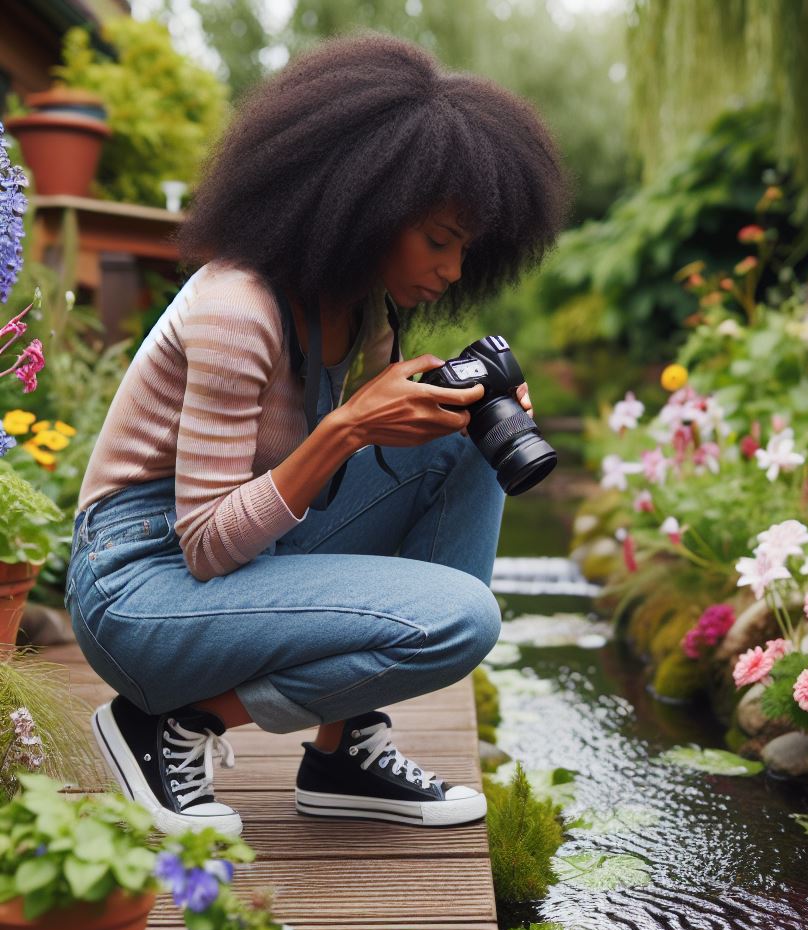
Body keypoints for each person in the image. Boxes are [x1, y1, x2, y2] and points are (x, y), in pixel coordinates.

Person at [65, 33, 569, 838]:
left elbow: (361, 462)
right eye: (438, 240)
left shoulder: (361, 302)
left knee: (463, 433)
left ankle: (342, 752)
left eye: (464, 249)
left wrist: (464, 406)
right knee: (463, 617)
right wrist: (345, 428)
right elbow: (204, 545)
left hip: (243, 560)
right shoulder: (238, 306)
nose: (450, 269)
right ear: (365, 206)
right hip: (140, 584)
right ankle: (165, 725)